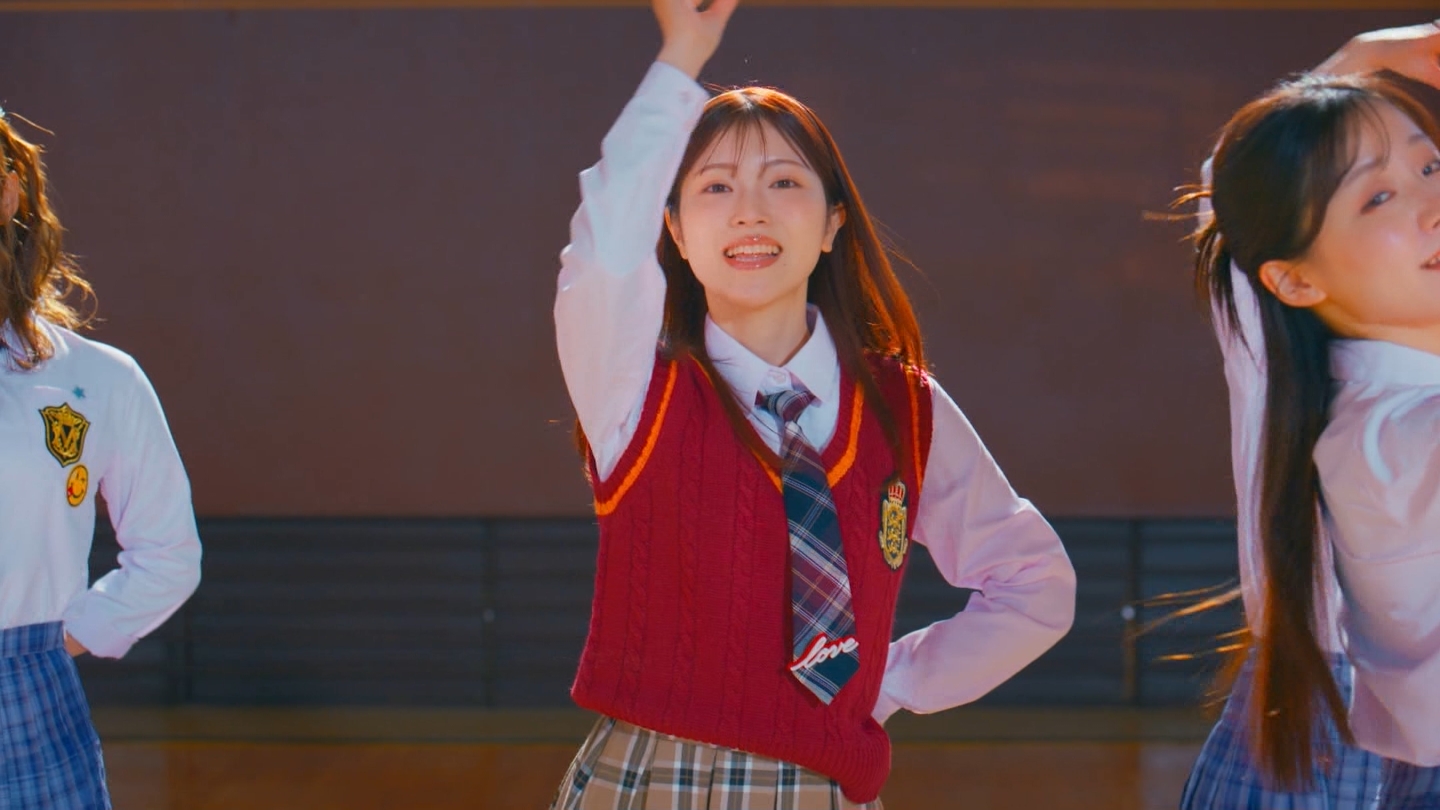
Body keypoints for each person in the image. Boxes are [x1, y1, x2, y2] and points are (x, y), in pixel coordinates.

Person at [550, 1, 1076, 807]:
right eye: (715, 186)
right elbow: (604, 253)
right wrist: (682, 57)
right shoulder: (631, 386)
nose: (750, 210)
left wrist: (887, 682)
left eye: (784, 182)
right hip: (651, 775)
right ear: (676, 232)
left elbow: (1035, 583)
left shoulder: (905, 408)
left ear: (833, 223)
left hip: (822, 785)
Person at [1180, 25, 1440, 805]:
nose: (1433, 203)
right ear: (1293, 280)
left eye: (1431, 165)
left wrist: (1363, 61)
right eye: (1379, 196)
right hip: (1332, 750)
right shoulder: (1389, 431)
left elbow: (1235, 200)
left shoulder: (1293, 357)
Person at [0, 108, 202, 808]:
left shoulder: (97, 379)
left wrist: (50, 648)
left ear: (9, 191)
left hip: (27, 705)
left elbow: (168, 554)